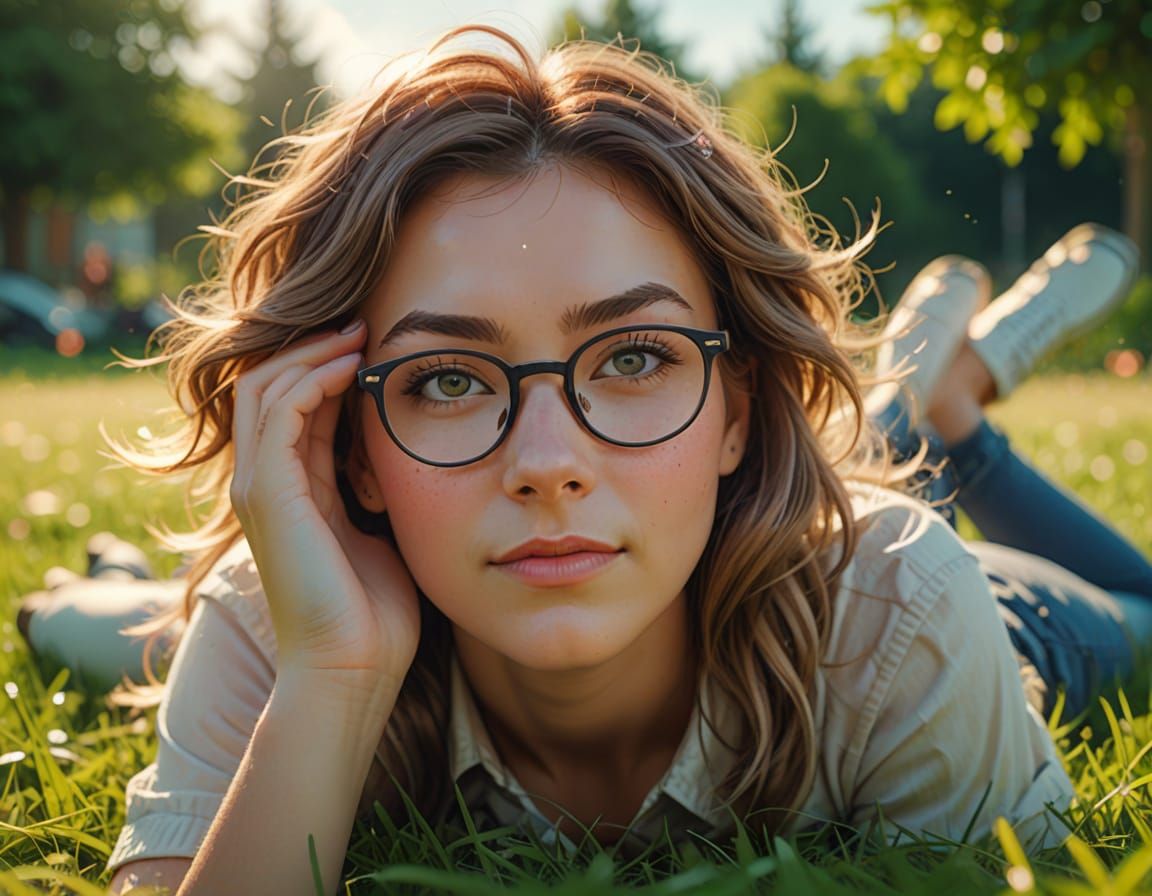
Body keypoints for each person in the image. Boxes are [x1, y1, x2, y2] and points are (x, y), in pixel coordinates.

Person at [13, 26, 1148, 895]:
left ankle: (951, 422)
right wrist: (331, 676)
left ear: (739, 410)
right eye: (447, 380)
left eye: (638, 355)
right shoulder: (285, 612)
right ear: (348, 446)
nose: (547, 463)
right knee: (138, 624)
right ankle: (925, 401)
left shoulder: (899, 601)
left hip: (1008, 618)